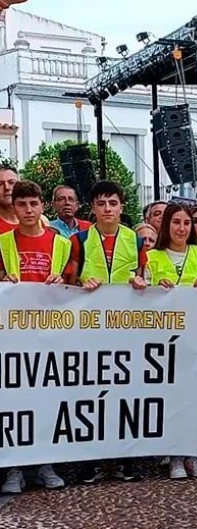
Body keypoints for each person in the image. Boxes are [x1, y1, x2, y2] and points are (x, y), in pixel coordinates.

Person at [70, 181, 148, 484]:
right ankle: (90, 460)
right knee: (91, 393)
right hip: (90, 330)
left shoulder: (136, 241)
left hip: (126, 329)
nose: (107, 209)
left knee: (126, 392)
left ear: (121, 207)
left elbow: (146, 278)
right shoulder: (79, 240)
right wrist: (80, 285)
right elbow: (69, 282)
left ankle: (128, 459)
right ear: (92, 207)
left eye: (112, 203)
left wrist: (142, 283)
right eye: (101, 203)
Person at [0, 180, 72, 494]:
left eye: (33, 204)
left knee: (47, 400)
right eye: (22, 204)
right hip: (13, 336)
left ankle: (45, 463)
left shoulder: (62, 244)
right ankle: (14, 468)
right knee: (15, 401)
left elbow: (78, 286)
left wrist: (66, 280)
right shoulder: (2, 243)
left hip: (51, 334)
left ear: (42, 205)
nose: (28, 210)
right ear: (13, 207)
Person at [145, 202, 197, 480]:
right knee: (173, 399)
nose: (181, 228)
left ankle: (195, 455)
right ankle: (175, 456)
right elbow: (142, 300)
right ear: (167, 225)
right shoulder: (152, 258)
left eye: (186, 223)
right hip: (166, 342)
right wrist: (155, 291)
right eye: (176, 222)